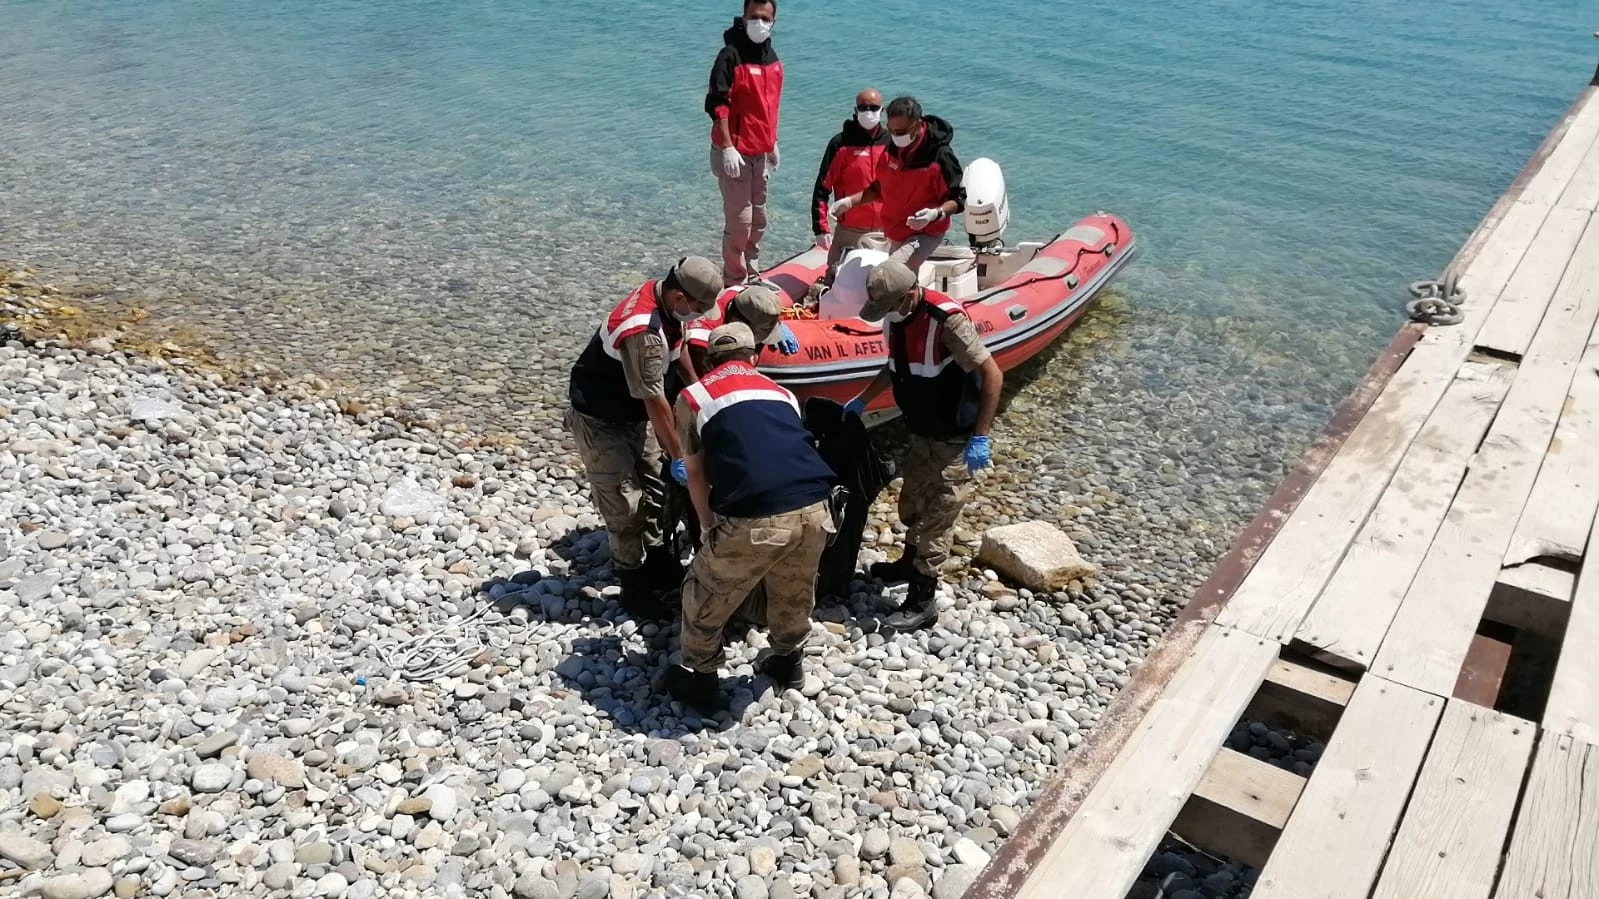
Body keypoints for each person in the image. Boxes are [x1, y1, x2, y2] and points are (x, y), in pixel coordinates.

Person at [665, 322, 837, 713]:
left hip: (758, 515)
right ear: (754, 358)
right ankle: (787, 661)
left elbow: (695, 473)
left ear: (710, 361)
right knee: (792, 585)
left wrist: (708, 526)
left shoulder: (694, 397)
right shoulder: (783, 394)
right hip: (816, 507)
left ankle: (701, 679)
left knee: (705, 588)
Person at [844, 258, 1002, 632]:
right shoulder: (896, 319)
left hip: (954, 438)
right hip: (921, 433)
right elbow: (895, 367)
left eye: (891, 305)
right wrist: (863, 400)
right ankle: (907, 562)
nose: (887, 313)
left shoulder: (947, 322)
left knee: (937, 519)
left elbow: (992, 373)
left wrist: (980, 437)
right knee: (911, 506)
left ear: (911, 293)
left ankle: (922, 599)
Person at [566, 256, 723, 619]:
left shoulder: (665, 301)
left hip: (632, 415)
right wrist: (681, 455)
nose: (698, 315)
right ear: (679, 296)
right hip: (601, 419)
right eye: (697, 307)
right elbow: (654, 400)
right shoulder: (644, 330)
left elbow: (679, 346)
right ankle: (632, 580)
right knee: (624, 503)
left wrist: (699, 390)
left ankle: (656, 559)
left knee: (656, 490)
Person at [826, 96, 964, 277]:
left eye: (901, 131)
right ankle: (914, 298)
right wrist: (849, 202)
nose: (896, 136)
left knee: (890, 274)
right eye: (891, 131)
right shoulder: (891, 149)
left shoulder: (939, 155)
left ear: (917, 123)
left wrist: (935, 213)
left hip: (925, 232)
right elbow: (878, 189)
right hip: (896, 230)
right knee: (903, 281)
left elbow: (958, 199)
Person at [706, 0, 782, 288]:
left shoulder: (771, 57)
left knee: (759, 219)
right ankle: (735, 280)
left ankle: (753, 273)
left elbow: (770, 105)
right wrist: (727, 146)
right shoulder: (730, 56)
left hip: (760, 151)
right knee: (740, 223)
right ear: (744, 16)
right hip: (734, 152)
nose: (759, 22)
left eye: (765, 18)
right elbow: (718, 106)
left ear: (774, 22)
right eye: (754, 16)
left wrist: (773, 141)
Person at [811, 87, 889, 285]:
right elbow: (822, 187)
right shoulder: (840, 144)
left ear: (882, 110)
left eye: (873, 107)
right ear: (855, 110)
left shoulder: (891, 142)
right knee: (836, 282)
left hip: (887, 229)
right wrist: (821, 228)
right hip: (849, 230)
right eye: (863, 107)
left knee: (883, 286)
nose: (869, 112)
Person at [679, 284, 798, 382]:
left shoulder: (743, 293)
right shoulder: (702, 336)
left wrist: (777, 324)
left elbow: (761, 301)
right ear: (737, 321)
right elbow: (706, 380)